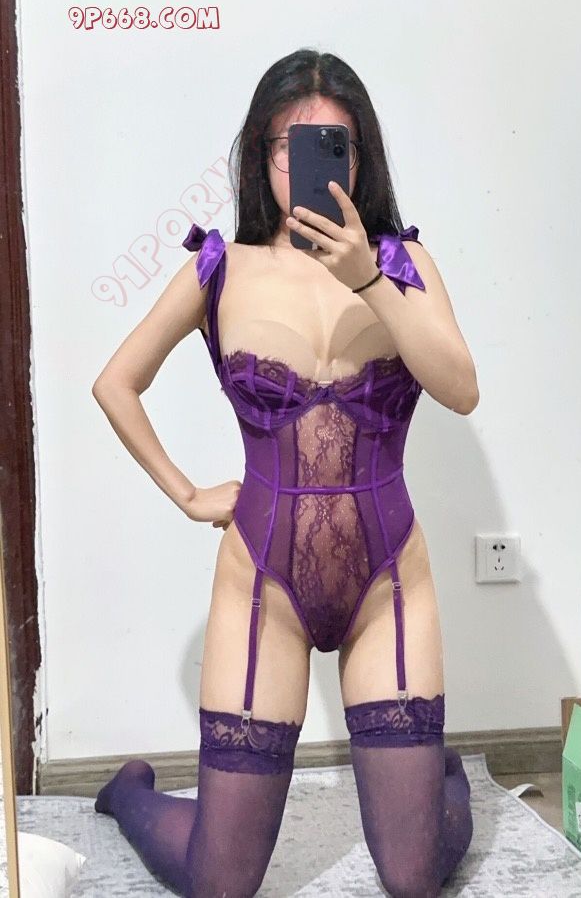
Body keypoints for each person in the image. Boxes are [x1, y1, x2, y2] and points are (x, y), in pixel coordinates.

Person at [91, 47, 479, 897]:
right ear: (261, 155)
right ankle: (129, 794)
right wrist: (188, 494)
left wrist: (369, 278)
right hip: (261, 583)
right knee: (221, 882)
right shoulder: (219, 268)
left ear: (359, 157)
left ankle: (445, 783)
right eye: (287, 145)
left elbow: (461, 389)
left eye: (334, 145)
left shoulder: (404, 264)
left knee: (412, 878)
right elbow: (115, 383)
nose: (307, 164)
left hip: (388, 582)